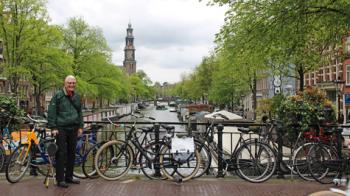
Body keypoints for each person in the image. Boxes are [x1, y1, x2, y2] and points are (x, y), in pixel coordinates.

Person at [47, 75, 83, 188]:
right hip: (61, 128)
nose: (71, 85)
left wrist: (80, 126)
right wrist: (53, 127)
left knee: (72, 153)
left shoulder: (77, 96)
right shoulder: (58, 96)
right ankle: (60, 179)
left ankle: (69, 177)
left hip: (74, 128)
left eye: (73, 83)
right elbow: (52, 112)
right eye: (69, 83)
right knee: (61, 153)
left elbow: (80, 112)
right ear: (65, 83)